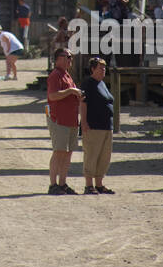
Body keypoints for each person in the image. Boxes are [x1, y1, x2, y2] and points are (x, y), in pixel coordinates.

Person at [46, 47, 82, 193]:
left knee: (68, 153)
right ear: (58, 58)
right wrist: (71, 91)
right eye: (67, 57)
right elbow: (52, 96)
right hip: (59, 120)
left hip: (71, 119)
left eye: (71, 57)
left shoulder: (67, 75)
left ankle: (62, 183)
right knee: (59, 152)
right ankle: (53, 184)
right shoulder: (55, 75)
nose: (70, 60)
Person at [80, 57, 115, 194]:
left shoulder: (102, 84)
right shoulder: (88, 83)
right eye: (100, 68)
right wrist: (83, 122)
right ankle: (89, 185)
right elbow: (83, 103)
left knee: (104, 156)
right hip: (93, 126)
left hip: (106, 126)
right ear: (93, 69)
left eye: (104, 68)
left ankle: (99, 184)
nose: (103, 70)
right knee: (92, 155)